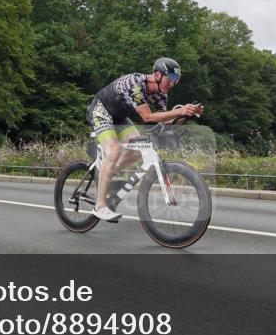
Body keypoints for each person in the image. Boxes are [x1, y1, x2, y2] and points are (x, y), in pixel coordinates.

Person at [86, 58, 204, 221]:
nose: (172, 84)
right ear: (157, 75)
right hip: (101, 110)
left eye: (175, 81)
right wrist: (180, 111)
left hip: (119, 117)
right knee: (114, 150)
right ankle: (100, 206)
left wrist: (185, 114)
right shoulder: (136, 83)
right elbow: (148, 117)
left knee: (137, 148)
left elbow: (163, 121)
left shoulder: (161, 95)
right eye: (170, 79)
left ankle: (108, 174)